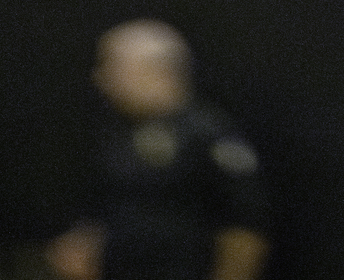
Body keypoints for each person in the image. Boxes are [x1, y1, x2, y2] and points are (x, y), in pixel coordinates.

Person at [46, 22, 268, 280]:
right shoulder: (114, 129)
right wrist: (81, 245)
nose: (100, 78)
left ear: (156, 70)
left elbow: (246, 228)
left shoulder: (209, 133)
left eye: (113, 66)